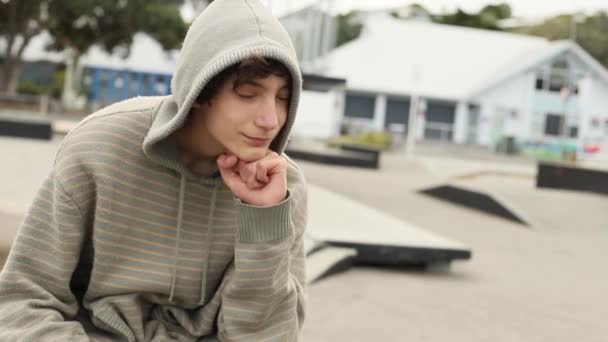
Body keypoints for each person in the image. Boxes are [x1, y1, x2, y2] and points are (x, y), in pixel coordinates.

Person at [0, 0, 307, 340]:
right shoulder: (99, 149)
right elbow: (20, 302)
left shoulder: (282, 185)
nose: (271, 120)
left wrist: (263, 219)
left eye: (282, 97)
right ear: (200, 91)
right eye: (249, 94)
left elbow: (268, 336)